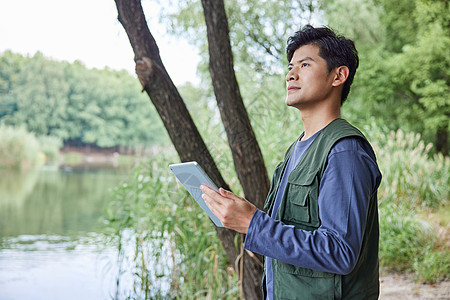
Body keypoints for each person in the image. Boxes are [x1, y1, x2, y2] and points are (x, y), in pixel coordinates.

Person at [200, 25, 382, 299]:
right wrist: (242, 217)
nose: (291, 75)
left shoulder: (344, 151)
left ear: (339, 75)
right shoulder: (295, 151)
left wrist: (254, 224)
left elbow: (341, 252)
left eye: (305, 64)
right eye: (289, 67)